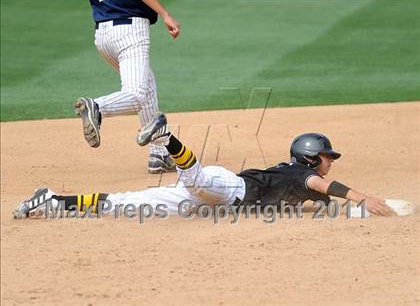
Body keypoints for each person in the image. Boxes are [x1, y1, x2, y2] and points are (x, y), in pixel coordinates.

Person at [13, 113, 395, 220]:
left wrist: (319, 202)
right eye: (328, 155)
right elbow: (320, 186)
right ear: (312, 156)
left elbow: (310, 193)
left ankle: (53, 200)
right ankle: (166, 138)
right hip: (227, 187)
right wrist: (363, 198)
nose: (331, 161)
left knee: (127, 203)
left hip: (209, 202)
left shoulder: (296, 177)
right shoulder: (302, 174)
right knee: (193, 175)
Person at [74, 0, 181, 173]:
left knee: (147, 85)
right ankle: (97, 107)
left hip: (103, 36)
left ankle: (159, 154)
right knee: (137, 94)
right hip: (129, 31)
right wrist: (165, 14)